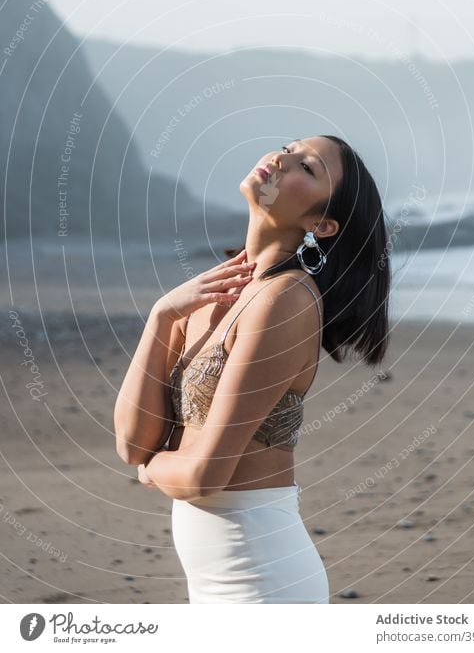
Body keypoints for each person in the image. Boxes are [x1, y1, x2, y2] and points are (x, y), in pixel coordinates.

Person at [114, 135, 392, 603]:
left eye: (307, 168)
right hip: (211, 579)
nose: (281, 158)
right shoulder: (210, 295)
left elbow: (205, 475)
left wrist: (150, 469)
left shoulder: (284, 300)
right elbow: (130, 442)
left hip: (261, 578)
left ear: (321, 225)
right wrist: (161, 316)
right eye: (288, 147)